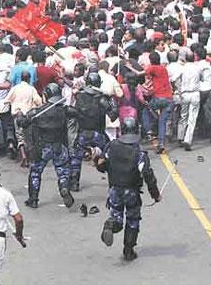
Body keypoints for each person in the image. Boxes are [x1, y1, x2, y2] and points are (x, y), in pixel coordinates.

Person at [96, 117, 160, 261]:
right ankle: (128, 250)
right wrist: (155, 194)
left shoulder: (111, 146)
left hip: (114, 190)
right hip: (131, 191)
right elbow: (147, 174)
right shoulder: (139, 151)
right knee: (132, 220)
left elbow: (100, 164)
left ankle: (110, 225)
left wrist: (108, 168)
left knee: (117, 218)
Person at [21, 83, 74, 209]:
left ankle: (33, 199)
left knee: (35, 172)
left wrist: (22, 118)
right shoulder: (64, 110)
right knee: (63, 171)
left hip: (42, 147)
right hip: (59, 146)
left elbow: (23, 123)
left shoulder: (37, 112)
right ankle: (64, 188)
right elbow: (78, 113)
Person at [68, 71, 117, 192]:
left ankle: (74, 183)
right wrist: (112, 102)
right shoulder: (101, 99)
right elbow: (113, 115)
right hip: (98, 133)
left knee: (76, 158)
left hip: (83, 133)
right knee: (111, 155)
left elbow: (72, 112)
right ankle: (115, 181)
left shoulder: (80, 96)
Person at [5, 70, 42, 166]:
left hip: (17, 115)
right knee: (28, 137)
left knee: (19, 136)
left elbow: (7, 100)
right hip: (28, 116)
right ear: (29, 79)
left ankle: (23, 155)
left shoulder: (15, 88)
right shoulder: (31, 89)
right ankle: (29, 157)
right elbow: (39, 102)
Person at [176, 52, 202, 151]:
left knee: (183, 116)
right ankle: (188, 139)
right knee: (192, 118)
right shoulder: (197, 68)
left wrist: (179, 89)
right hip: (195, 93)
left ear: (185, 59)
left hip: (185, 94)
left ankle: (180, 137)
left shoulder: (182, 68)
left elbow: (174, 79)